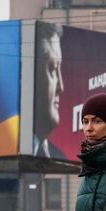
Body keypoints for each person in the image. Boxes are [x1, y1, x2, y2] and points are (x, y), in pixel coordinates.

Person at [33, 21, 65, 159]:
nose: (61, 87)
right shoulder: (1, 147)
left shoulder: (58, 157)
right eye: (52, 68)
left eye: (59, 68)